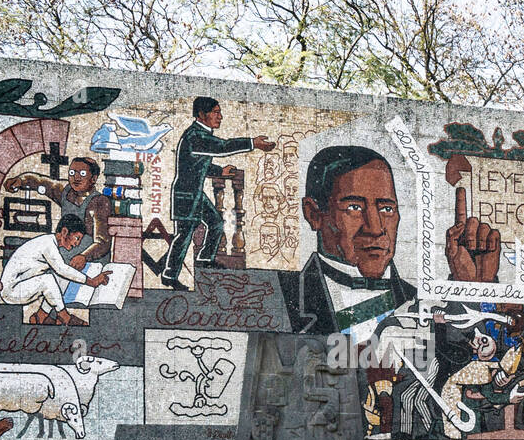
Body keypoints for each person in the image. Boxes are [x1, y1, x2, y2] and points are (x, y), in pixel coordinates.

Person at [281, 146, 417, 338]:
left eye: (386, 209)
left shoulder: (418, 301)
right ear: (313, 214)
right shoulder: (281, 297)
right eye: (354, 207)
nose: (375, 228)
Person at [155, 97, 276, 288]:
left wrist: (219, 172)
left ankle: (205, 259)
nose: (220, 116)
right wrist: (252, 143)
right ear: (202, 115)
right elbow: (222, 147)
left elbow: (198, 164)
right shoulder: (196, 135)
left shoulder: (201, 135)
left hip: (195, 193)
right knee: (184, 235)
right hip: (185, 194)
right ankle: (169, 276)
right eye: (216, 112)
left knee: (216, 223)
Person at [4, 157, 114, 274]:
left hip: (90, 262)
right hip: (66, 252)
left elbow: (103, 242)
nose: (76, 178)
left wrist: (84, 256)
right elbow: (42, 183)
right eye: (72, 173)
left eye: (82, 174)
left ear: (93, 178)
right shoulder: (65, 192)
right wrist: (21, 180)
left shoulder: (99, 202)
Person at [0, 214, 109, 326]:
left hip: (22, 285)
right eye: (77, 238)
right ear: (64, 232)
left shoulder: (50, 242)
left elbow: (62, 272)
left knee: (59, 279)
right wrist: (92, 282)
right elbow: (61, 269)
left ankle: (40, 316)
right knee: (48, 279)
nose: (77, 244)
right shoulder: (47, 244)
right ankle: (64, 316)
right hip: (11, 291)